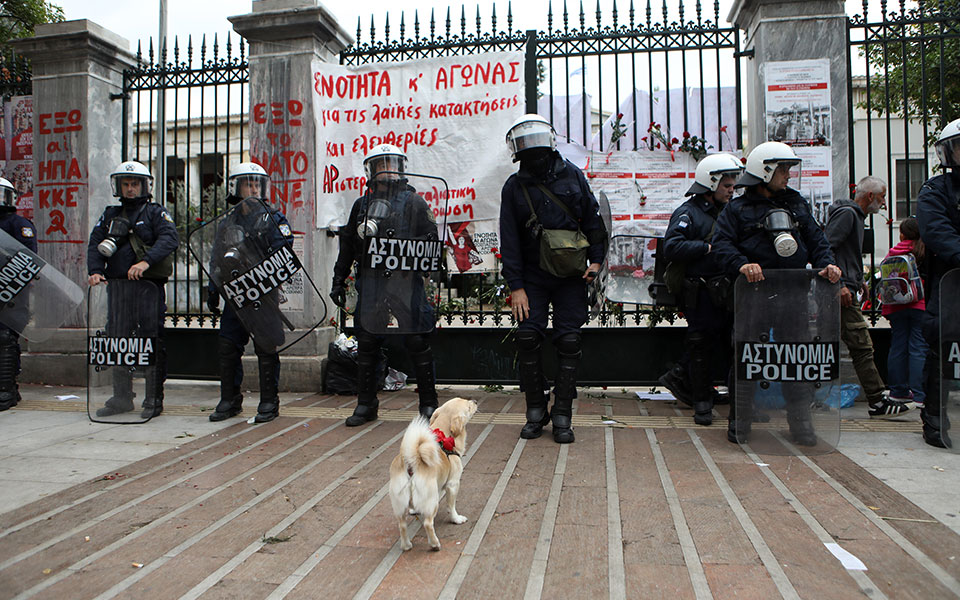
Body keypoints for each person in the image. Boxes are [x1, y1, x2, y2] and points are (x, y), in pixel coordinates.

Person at [712, 141, 842, 445]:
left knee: (795, 358)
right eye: (782, 168)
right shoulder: (737, 209)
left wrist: (828, 265)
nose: (787, 174)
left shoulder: (796, 203)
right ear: (764, 170)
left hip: (793, 295)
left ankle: (801, 425)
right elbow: (721, 246)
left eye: (788, 168)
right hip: (753, 295)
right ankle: (739, 423)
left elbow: (816, 239)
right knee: (747, 357)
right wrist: (743, 265)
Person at [500, 114, 607, 444]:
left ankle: (562, 413)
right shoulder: (514, 187)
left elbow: (593, 219)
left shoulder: (573, 177)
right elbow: (510, 239)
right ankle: (536, 411)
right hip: (532, 276)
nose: (534, 154)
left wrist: (597, 260)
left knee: (569, 341)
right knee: (527, 337)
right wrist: (516, 286)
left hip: (570, 275)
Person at [330, 144, 440, 426]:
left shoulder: (415, 203)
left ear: (401, 168)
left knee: (417, 340)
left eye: (391, 164)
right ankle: (366, 404)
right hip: (372, 282)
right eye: (380, 165)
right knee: (367, 342)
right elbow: (348, 247)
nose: (386, 170)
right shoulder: (361, 205)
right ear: (372, 170)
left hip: (405, 282)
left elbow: (431, 241)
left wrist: (419, 261)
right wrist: (338, 280)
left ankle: (429, 404)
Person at [87, 161, 179, 419]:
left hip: (148, 289)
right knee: (117, 339)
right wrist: (95, 270)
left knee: (151, 340)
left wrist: (145, 261)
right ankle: (121, 397)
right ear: (119, 186)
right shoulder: (109, 214)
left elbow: (170, 238)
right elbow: (95, 242)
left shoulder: (155, 212)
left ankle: (153, 397)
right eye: (126, 184)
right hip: (117, 288)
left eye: (134, 184)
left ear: (144, 185)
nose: (130, 189)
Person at [206, 162, 293, 424]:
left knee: (266, 347)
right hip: (235, 295)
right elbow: (216, 258)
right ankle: (230, 399)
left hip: (263, 294)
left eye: (257, 184)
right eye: (248, 184)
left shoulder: (273, 218)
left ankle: (269, 401)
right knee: (228, 346)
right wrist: (213, 289)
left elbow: (284, 252)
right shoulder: (227, 222)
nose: (253, 189)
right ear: (237, 187)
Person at [660, 153, 743, 425]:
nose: (732, 191)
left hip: (726, 291)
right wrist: (706, 247)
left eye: (733, 186)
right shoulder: (688, 213)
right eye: (726, 186)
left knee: (728, 345)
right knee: (700, 347)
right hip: (701, 292)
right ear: (710, 184)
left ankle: (719, 394)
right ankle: (702, 403)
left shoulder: (729, 212)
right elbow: (671, 246)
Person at [824, 176, 914, 417]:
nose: (884, 203)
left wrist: (857, 279)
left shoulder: (853, 216)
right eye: (882, 196)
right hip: (839, 292)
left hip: (843, 288)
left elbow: (842, 252)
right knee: (861, 344)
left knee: (848, 344)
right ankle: (876, 399)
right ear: (870, 196)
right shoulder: (848, 215)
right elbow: (827, 248)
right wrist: (841, 284)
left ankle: (873, 397)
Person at [916, 117, 960, 448]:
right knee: (943, 349)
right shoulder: (936, 189)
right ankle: (934, 417)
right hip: (950, 285)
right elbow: (936, 231)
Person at [881, 217, 928, 407]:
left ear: (901, 234)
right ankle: (918, 394)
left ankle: (898, 391)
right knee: (918, 347)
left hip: (896, 306)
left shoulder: (894, 252)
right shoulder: (923, 251)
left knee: (898, 346)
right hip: (919, 305)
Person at [0, 177, 35, 411]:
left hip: (11, 293)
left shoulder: (18, 224)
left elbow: (29, 259)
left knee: (5, 337)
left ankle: (6, 389)